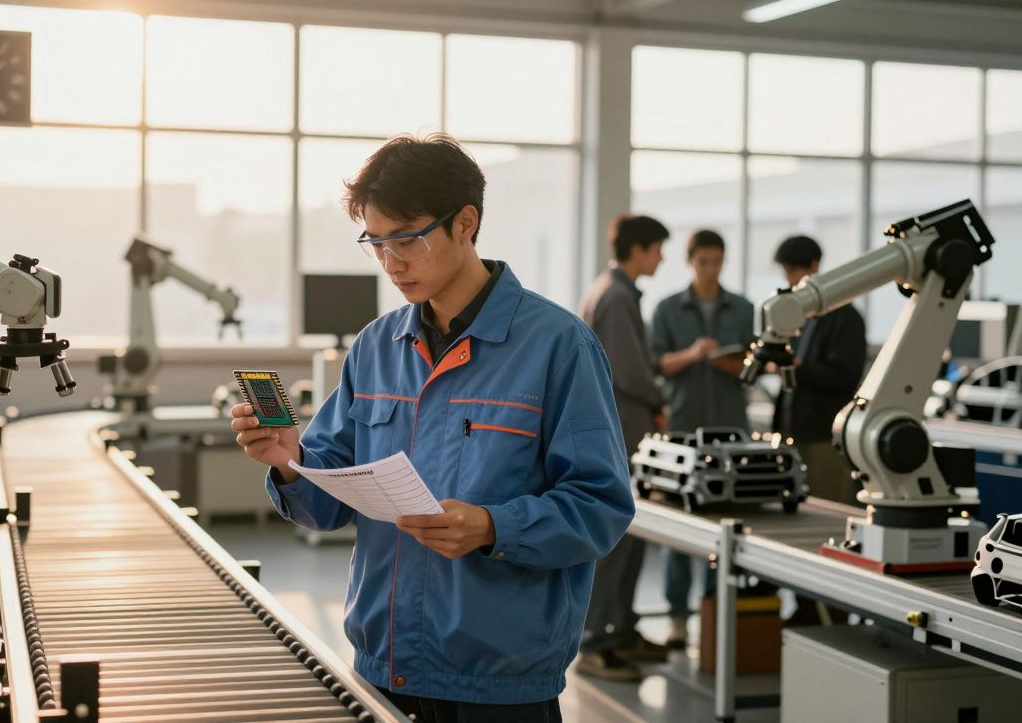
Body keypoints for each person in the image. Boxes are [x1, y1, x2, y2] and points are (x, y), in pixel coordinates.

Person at [230, 133, 634, 722]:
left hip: (499, 687)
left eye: (407, 238)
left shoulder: (558, 346)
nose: (391, 261)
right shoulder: (376, 347)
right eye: (375, 242)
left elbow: (601, 507)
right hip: (382, 668)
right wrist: (291, 463)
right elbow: (329, 507)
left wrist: (494, 526)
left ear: (465, 223)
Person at [574, 214, 671, 682]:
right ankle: (595, 640)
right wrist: (661, 400)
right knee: (613, 540)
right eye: (657, 249)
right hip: (620, 433)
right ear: (638, 249)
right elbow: (630, 373)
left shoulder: (614, 291)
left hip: (623, 431)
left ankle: (622, 629)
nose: (662, 258)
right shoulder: (615, 297)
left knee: (630, 538)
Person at [650, 229, 755, 648]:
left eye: (717, 261)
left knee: (725, 526)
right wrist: (694, 354)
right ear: (690, 261)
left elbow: (753, 366)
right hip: (682, 429)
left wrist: (728, 363)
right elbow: (657, 363)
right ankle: (677, 617)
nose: (710, 269)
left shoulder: (743, 308)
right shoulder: (667, 308)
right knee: (679, 525)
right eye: (703, 261)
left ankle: (715, 615)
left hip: (731, 430)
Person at [770, 235, 867, 507]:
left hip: (823, 436)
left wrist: (799, 368)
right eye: (785, 271)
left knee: (825, 507)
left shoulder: (846, 318)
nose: (790, 280)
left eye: (793, 271)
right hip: (793, 430)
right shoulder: (800, 316)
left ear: (814, 266)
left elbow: (845, 377)